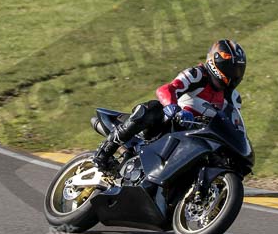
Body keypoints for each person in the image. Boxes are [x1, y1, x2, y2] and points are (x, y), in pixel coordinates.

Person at [93, 38, 246, 170]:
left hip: (199, 136)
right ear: (216, 63)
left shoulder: (233, 98)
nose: (235, 74)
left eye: (238, 70)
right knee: (152, 108)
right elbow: (166, 89)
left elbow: (233, 125)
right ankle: (105, 151)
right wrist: (173, 107)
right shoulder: (197, 74)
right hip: (170, 125)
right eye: (231, 69)